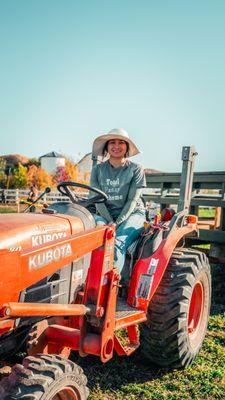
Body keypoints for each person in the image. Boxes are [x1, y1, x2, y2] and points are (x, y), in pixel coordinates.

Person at [90, 128, 146, 275]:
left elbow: (132, 200)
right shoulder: (98, 170)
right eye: (112, 142)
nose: (116, 146)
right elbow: (97, 200)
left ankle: (110, 289)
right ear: (106, 147)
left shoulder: (136, 169)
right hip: (104, 214)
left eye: (121, 142)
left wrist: (116, 223)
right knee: (93, 239)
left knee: (117, 242)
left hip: (132, 214)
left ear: (127, 147)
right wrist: (109, 221)